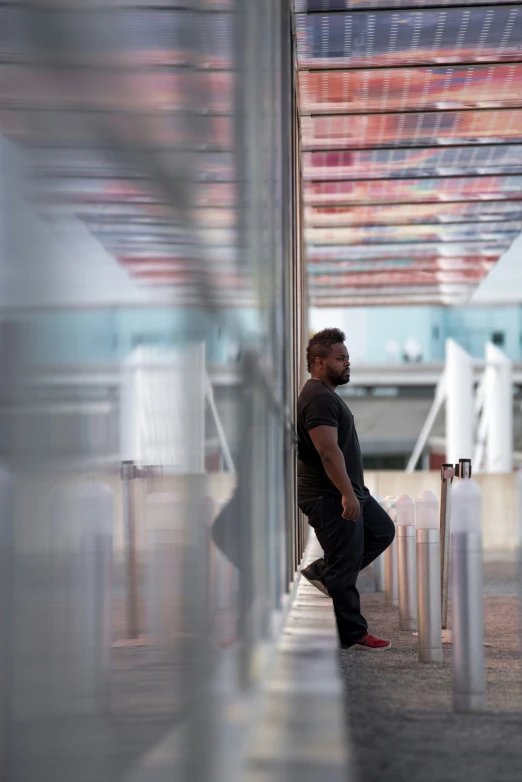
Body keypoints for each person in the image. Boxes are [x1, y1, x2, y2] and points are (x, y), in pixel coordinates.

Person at [297, 328, 395, 651]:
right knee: (347, 557)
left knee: (382, 530)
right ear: (319, 362)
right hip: (331, 496)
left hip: (350, 491)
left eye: (347, 357)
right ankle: (353, 633)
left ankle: (326, 571)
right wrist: (347, 494)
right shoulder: (318, 398)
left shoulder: (326, 395)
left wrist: (355, 492)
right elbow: (327, 451)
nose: (347, 363)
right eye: (340, 359)